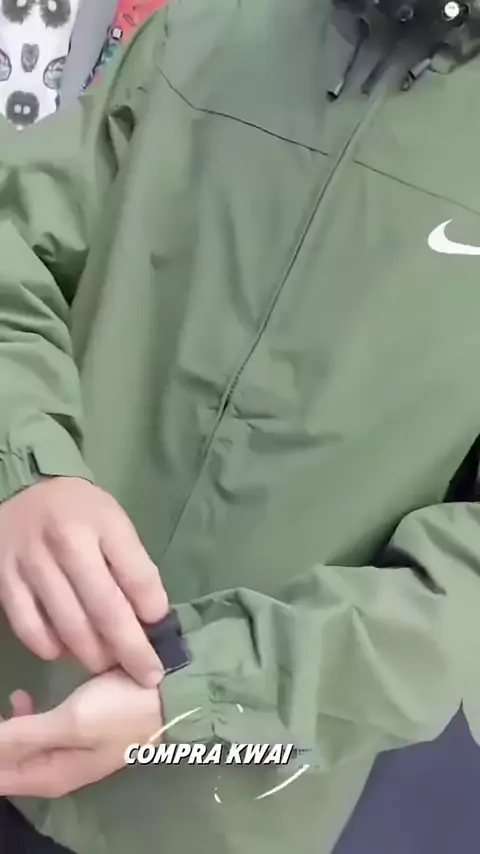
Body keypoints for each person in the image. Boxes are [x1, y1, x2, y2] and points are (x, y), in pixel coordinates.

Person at [0, 0, 479, 852]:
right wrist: (26, 464)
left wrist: (199, 692)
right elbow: (16, 242)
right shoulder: (205, 30)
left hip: (226, 798)